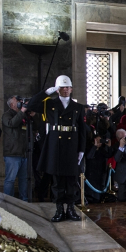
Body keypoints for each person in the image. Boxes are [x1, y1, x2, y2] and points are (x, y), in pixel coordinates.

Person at [26, 75, 86, 222]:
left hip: (72, 145)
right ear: (57, 89)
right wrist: (45, 93)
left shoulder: (78, 107)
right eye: (62, 87)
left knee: (71, 179)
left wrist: (81, 149)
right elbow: (31, 105)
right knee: (57, 180)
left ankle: (71, 209)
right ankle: (59, 209)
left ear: (71, 89)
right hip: (55, 144)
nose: (65, 90)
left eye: (67, 87)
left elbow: (82, 130)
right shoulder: (49, 104)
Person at [1, 95, 30, 201]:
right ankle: (9, 201)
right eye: (17, 101)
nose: (20, 102)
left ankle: (24, 200)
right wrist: (22, 111)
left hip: (24, 153)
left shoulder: (23, 115)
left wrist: (28, 114)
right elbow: (11, 123)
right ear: (12, 104)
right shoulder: (7, 115)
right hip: (12, 153)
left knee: (24, 179)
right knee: (10, 179)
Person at [85, 135, 115, 203]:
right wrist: (95, 146)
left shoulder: (102, 150)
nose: (99, 142)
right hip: (91, 173)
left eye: (100, 141)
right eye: (98, 140)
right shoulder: (89, 148)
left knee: (100, 190)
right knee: (92, 192)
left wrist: (109, 146)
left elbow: (109, 155)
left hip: (101, 172)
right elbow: (89, 156)